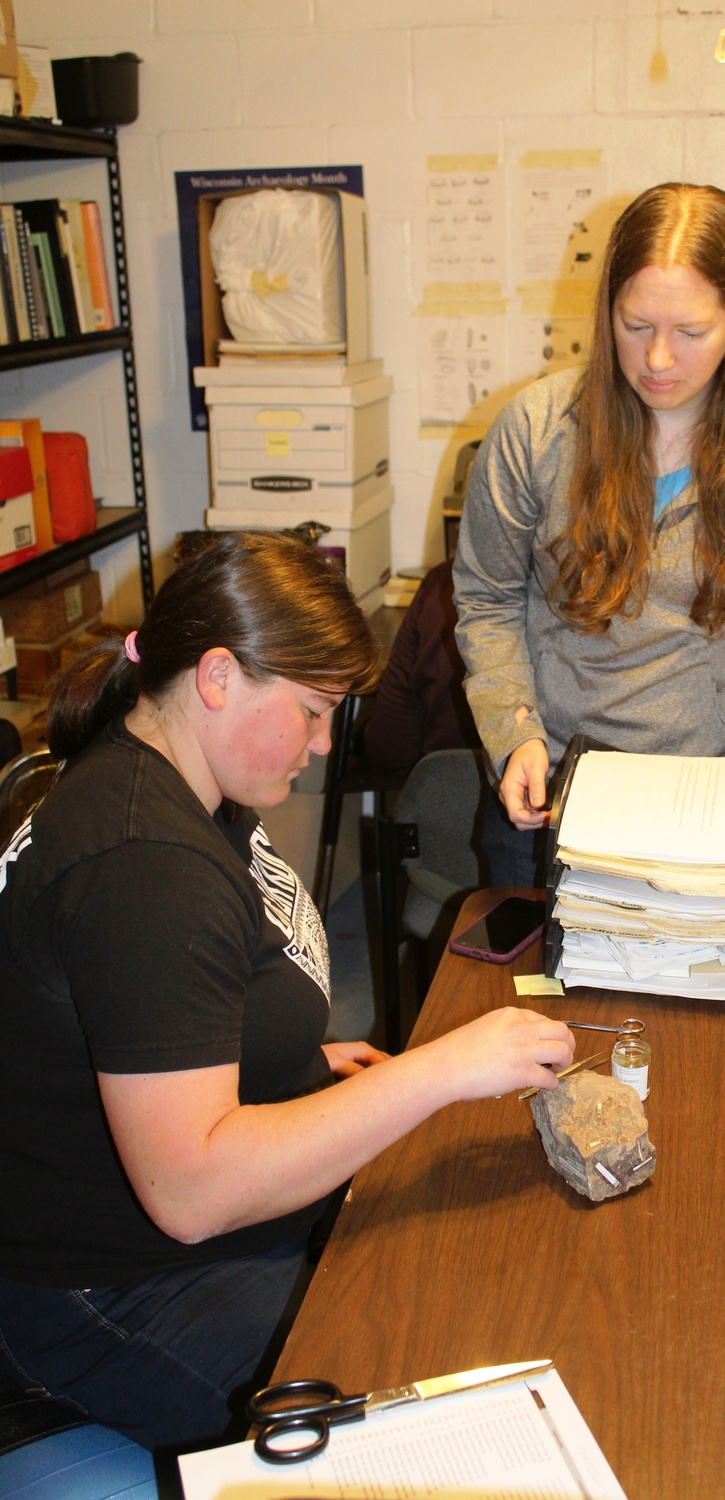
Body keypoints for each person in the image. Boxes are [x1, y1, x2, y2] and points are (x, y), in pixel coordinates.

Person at [0, 531, 573, 1452]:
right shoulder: (143, 864)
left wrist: (286, 1059)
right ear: (218, 676)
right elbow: (191, 1190)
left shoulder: (178, 773)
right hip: (110, 1291)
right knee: (434, 1404)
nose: (320, 745)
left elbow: (161, 1008)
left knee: (460, 1270)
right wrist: (434, 1072)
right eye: (311, 713)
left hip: (160, 1223)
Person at [452, 182, 725, 886]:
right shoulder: (537, 434)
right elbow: (487, 600)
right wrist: (514, 735)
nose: (658, 360)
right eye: (635, 325)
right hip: (557, 792)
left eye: (689, 332)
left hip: (724, 804)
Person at [362, 558, 481, 779]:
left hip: (441, 785)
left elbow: (390, 747)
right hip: (544, 795)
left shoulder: (443, 582)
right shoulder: (560, 592)